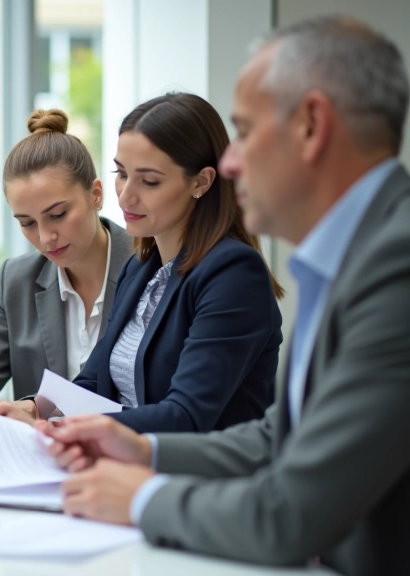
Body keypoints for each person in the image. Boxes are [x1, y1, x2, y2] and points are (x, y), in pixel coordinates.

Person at [42, 17, 410, 576]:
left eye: (246, 129)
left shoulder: (394, 266)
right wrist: (143, 451)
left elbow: (291, 512)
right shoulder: (345, 257)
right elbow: (281, 437)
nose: (232, 163)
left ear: (311, 126)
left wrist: (140, 498)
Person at [0, 92, 284, 433]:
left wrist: (60, 428)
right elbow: (93, 379)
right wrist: (32, 409)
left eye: (148, 181)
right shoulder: (142, 269)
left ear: (201, 181)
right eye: (122, 173)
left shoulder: (233, 273)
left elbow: (187, 416)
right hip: (130, 469)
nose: (125, 195)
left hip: (202, 479)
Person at [0, 109, 133, 399]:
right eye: (27, 223)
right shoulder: (18, 280)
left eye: (58, 215)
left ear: (96, 194)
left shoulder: (152, 267)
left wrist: (38, 411)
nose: (46, 238)